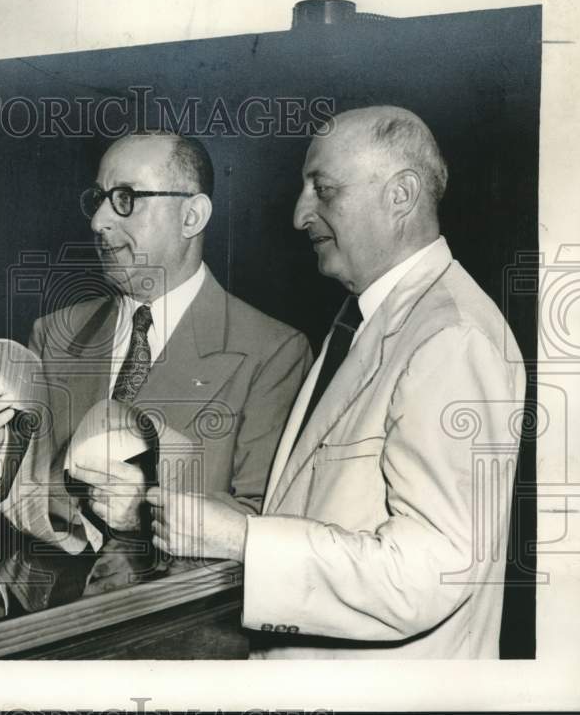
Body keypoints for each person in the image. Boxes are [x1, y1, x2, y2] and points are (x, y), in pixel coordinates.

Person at [148, 106, 526, 658]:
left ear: (401, 195)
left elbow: (428, 573)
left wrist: (241, 541)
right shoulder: (366, 318)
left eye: (323, 190)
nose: (301, 214)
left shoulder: (453, 336)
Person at [0, 131, 312, 562]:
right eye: (99, 198)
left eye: (126, 198)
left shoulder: (274, 352)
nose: (99, 221)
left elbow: (262, 521)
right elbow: (25, 494)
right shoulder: (53, 333)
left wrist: (145, 509)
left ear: (192, 216)